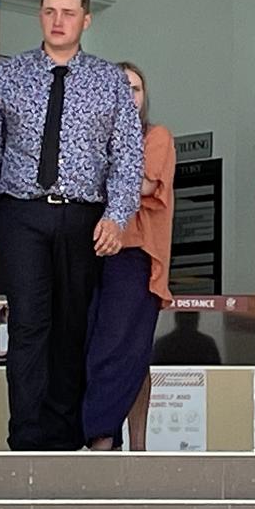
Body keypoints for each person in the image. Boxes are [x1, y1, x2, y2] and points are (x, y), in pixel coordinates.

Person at [0, 0, 143, 451]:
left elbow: (127, 156)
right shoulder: (8, 76)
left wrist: (117, 216)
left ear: (86, 19)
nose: (57, 21)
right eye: (48, 11)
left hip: (83, 219)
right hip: (21, 216)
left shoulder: (108, 82)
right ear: (40, 15)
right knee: (27, 325)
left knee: (71, 327)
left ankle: (62, 442)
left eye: (67, 12)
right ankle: (26, 439)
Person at [82, 61, 176, 451]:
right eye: (119, 87)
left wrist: (97, 174)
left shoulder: (155, 136)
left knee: (123, 350)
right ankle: (111, 438)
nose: (127, 94)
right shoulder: (87, 136)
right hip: (90, 251)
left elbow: (142, 184)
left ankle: (105, 437)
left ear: (144, 97)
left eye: (135, 88)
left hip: (135, 251)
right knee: (95, 346)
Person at [152, 311, 222, 366]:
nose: (188, 322)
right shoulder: (207, 343)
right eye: (187, 320)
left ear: (176, 319)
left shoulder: (163, 343)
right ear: (197, 320)